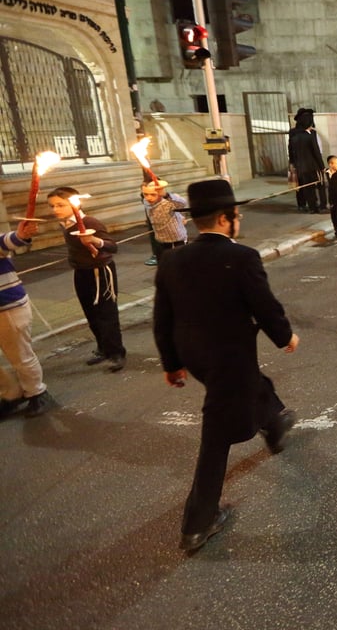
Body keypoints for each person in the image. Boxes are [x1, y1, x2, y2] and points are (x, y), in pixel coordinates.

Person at [155, 179, 300, 553]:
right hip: (227, 356)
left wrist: (171, 363)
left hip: (195, 355)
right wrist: (285, 337)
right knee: (217, 434)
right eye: (236, 214)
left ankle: (275, 421)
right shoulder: (242, 257)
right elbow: (264, 305)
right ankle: (198, 522)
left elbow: (162, 317)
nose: (240, 219)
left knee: (251, 382)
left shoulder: (172, 259)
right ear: (225, 219)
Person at [46, 187, 126, 372]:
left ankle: (116, 353)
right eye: (52, 206)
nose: (55, 210)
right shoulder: (65, 223)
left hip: (100, 271)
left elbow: (112, 247)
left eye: (60, 205)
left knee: (106, 313)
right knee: (90, 313)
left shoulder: (89, 222)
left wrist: (95, 241)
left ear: (75, 203)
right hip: (81, 271)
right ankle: (103, 348)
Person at [0, 220, 52, 418]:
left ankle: (37, 392)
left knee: (20, 356)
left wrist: (20, 236)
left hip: (8, 307)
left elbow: (6, 241)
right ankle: (11, 392)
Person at [288, 108, 326, 214]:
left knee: (302, 186)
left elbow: (290, 149)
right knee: (314, 185)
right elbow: (316, 151)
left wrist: (292, 163)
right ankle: (316, 206)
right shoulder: (310, 134)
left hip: (298, 164)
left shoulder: (293, 133)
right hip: (311, 165)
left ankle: (307, 206)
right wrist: (322, 166)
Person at [141, 181, 188, 266]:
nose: (148, 198)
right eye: (145, 194)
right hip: (160, 241)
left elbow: (182, 203)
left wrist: (166, 195)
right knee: (163, 267)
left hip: (176, 241)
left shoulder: (168, 202)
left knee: (179, 267)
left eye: (152, 194)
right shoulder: (146, 201)